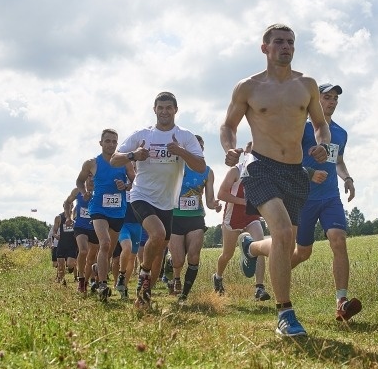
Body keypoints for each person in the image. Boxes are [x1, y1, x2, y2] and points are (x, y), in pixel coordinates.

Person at [220, 24, 331, 337]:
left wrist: (322, 144)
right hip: (260, 167)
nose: (286, 47)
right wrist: (230, 149)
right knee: (282, 232)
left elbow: (321, 125)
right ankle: (285, 313)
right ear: (264, 47)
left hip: (294, 171)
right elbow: (227, 126)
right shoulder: (249, 87)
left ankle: (252, 247)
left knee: (288, 243)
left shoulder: (307, 84)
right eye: (279, 42)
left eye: (291, 42)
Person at [112, 92, 206, 310]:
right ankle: (142, 278)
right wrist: (134, 155)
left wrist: (180, 152)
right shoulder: (143, 134)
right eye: (160, 108)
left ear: (176, 110)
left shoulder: (185, 136)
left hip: (167, 201)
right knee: (158, 234)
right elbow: (115, 158)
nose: (164, 112)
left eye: (169, 108)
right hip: (141, 195)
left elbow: (201, 166)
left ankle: (144, 293)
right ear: (154, 110)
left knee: (159, 252)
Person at [289, 83, 362, 322]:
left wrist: (348, 178)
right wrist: (309, 172)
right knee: (302, 253)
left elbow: (338, 160)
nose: (331, 102)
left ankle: (341, 301)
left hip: (330, 197)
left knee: (338, 240)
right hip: (303, 198)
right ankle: (276, 275)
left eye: (334, 99)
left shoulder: (340, 132)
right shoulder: (302, 127)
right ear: (316, 100)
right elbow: (288, 160)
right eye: (327, 97)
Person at [75, 129, 135, 301]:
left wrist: (125, 185)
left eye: (114, 141)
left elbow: (134, 180)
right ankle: (102, 285)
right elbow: (79, 180)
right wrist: (84, 191)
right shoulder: (92, 163)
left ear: (117, 143)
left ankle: (96, 271)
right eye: (107, 141)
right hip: (98, 210)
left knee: (107, 253)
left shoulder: (124, 162)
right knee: (105, 244)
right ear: (100, 143)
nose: (110, 144)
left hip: (118, 210)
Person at [168, 136, 221, 303]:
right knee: (178, 260)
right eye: (195, 146)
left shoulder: (207, 171)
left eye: (201, 147)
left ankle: (184, 294)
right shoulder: (176, 166)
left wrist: (215, 205)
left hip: (196, 218)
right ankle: (171, 266)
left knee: (194, 256)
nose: (199, 149)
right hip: (175, 217)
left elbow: (210, 200)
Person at [214, 141, 268, 298]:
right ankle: (218, 277)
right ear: (246, 154)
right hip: (233, 218)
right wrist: (245, 202)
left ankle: (259, 288)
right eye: (252, 153)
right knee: (227, 254)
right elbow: (221, 194)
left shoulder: (263, 173)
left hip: (252, 217)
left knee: (260, 244)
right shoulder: (235, 171)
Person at [53, 207, 77, 285]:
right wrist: (56, 235)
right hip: (62, 243)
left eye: (71, 205)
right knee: (60, 264)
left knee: (69, 264)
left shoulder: (75, 216)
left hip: (72, 244)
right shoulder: (59, 218)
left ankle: (71, 268)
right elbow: (54, 231)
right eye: (67, 205)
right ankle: (62, 281)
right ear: (64, 206)